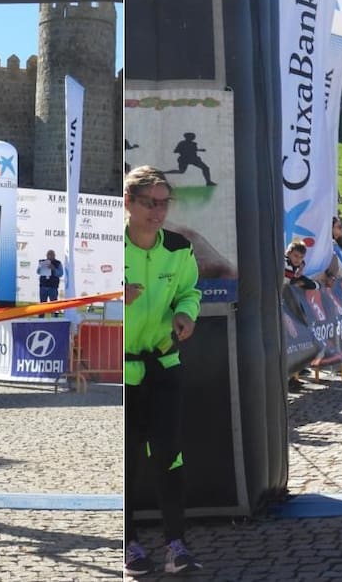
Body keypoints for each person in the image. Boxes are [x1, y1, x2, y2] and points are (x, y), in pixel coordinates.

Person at [123, 166, 202, 576]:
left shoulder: (179, 247)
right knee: (127, 460)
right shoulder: (109, 247)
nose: (158, 211)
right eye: (149, 203)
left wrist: (186, 314)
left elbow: (190, 291)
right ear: (129, 204)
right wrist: (114, 298)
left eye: (164, 202)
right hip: (121, 374)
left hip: (164, 366)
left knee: (170, 456)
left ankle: (177, 544)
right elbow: (83, 301)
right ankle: (128, 543)